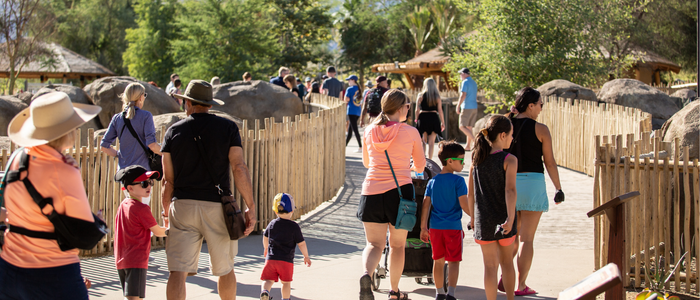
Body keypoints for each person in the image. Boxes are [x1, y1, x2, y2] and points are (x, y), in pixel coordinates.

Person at [0, 91, 101, 299]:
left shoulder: (17, 159)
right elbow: (81, 227)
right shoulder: (64, 171)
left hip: (9, 268)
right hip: (53, 272)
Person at [162, 80, 257, 300]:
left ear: (187, 103)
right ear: (210, 104)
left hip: (182, 205)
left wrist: (166, 211)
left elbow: (168, 180)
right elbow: (239, 167)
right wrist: (250, 206)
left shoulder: (173, 132)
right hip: (217, 207)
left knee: (178, 270)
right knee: (225, 268)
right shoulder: (228, 128)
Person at [357, 89, 426, 300]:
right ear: (399, 108)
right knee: (397, 246)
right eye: (407, 105)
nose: (409, 108)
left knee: (374, 244)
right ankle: (395, 292)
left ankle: (367, 275)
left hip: (371, 192)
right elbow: (421, 166)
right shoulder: (411, 132)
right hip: (400, 193)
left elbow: (367, 163)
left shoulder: (369, 130)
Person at [503, 87, 564, 296]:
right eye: (540, 104)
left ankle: (505, 276)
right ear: (530, 105)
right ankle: (520, 285)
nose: (541, 109)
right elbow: (549, 162)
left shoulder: (505, 125)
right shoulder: (541, 129)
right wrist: (558, 187)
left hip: (509, 184)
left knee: (511, 235)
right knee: (526, 239)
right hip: (533, 184)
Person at [468, 115, 518, 300]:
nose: (513, 139)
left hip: (483, 221)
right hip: (504, 219)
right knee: (507, 264)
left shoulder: (476, 160)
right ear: (503, 135)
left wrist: (473, 218)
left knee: (489, 266)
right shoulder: (509, 159)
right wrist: (511, 219)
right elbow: (510, 191)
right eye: (511, 135)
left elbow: (470, 195)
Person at [419, 141, 468, 300]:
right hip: (453, 228)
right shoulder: (458, 181)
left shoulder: (433, 181)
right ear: (450, 161)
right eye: (461, 160)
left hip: (435, 228)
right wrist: (475, 216)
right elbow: (464, 203)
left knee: (438, 261)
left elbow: (426, 205)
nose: (463, 164)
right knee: (453, 262)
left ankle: (439, 293)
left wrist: (423, 227)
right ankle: (451, 294)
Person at [114, 165, 167, 300]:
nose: (148, 186)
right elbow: (159, 232)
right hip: (136, 259)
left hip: (122, 259)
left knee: (132, 297)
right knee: (135, 298)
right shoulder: (141, 208)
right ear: (130, 188)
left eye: (150, 182)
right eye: (144, 183)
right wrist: (176, 229)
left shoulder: (124, 205)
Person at [260, 193, 311, 300]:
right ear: (292, 210)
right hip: (286, 261)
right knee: (286, 283)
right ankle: (286, 299)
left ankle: (265, 292)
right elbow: (301, 243)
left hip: (271, 259)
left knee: (268, 280)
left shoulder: (272, 224)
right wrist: (306, 256)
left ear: (275, 211)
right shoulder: (294, 227)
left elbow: (265, 237)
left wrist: (266, 248)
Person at [101, 82, 162, 172]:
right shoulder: (146, 116)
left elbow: (103, 146)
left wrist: (119, 154)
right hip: (142, 172)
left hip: (124, 172)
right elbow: (152, 145)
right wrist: (167, 153)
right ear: (141, 97)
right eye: (144, 95)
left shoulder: (117, 118)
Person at [415, 78, 445, 160]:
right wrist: (443, 122)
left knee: (423, 141)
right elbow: (440, 111)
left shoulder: (420, 96)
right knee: (431, 143)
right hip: (433, 117)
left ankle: (423, 159)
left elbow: (417, 109)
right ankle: (430, 160)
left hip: (423, 117)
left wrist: (416, 119)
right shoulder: (437, 97)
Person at [456, 68, 478, 150]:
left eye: (461, 74)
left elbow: (463, 95)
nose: (460, 76)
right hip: (474, 106)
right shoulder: (474, 82)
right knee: (469, 127)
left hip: (466, 107)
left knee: (462, 126)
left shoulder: (465, 82)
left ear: (464, 74)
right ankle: (468, 146)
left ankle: (475, 141)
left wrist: (458, 105)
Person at [344, 75, 362, 152]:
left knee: (355, 130)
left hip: (351, 111)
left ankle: (361, 147)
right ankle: (344, 146)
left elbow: (346, 100)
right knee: (350, 130)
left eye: (349, 80)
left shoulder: (349, 89)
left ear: (353, 80)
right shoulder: (359, 89)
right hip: (358, 111)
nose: (348, 82)